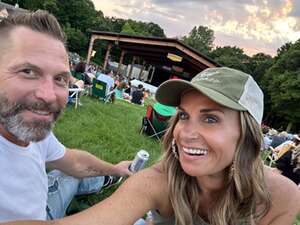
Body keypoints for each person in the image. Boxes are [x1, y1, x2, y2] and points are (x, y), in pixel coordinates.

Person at [3, 68, 300, 225]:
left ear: (246, 136)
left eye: (210, 119)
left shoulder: (280, 196)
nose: (185, 133)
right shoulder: (158, 182)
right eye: (184, 116)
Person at [0, 10, 132, 222]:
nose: (48, 95)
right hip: (47, 214)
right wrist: (141, 195)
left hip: (43, 199)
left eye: (60, 78)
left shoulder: (33, 130)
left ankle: (105, 179)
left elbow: (73, 161)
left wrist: (115, 169)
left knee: (70, 173)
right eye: (28, 71)